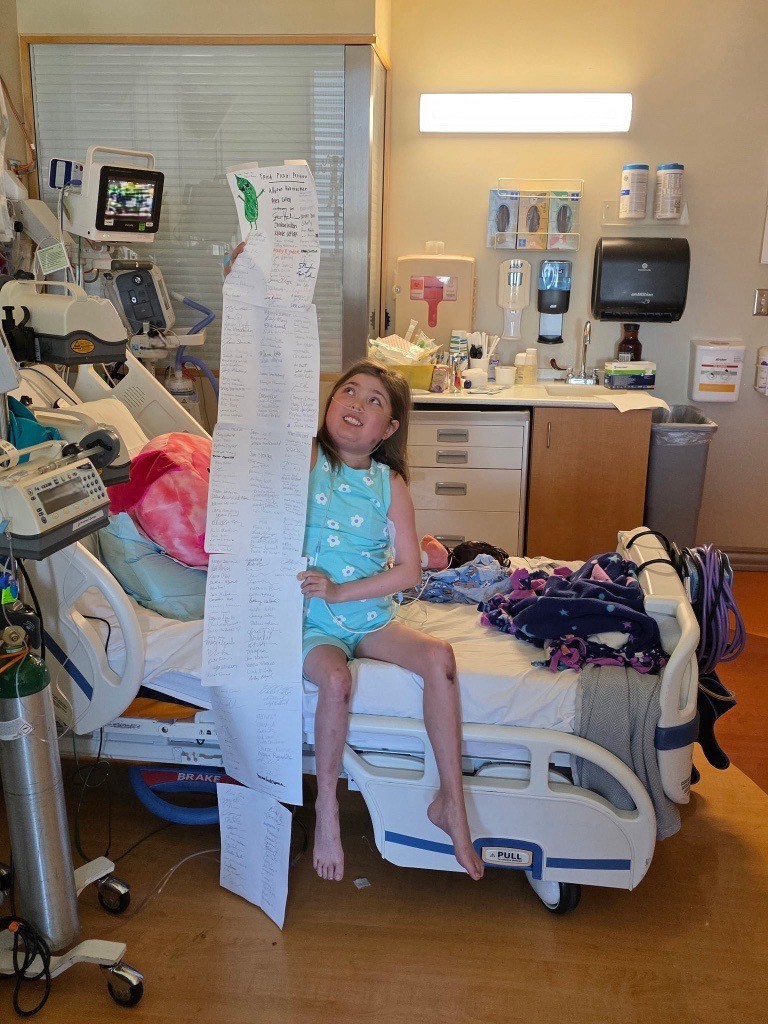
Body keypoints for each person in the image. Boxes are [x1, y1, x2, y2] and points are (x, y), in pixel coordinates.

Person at [298, 361, 483, 882]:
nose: (357, 404)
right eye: (348, 392)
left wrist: (342, 590)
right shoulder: (309, 459)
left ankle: (452, 803)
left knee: (439, 657)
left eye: (375, 401)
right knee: (335, 679)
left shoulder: (389, 482)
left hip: (370, 616)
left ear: (390, 429)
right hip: (314, 622)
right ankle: (328, 809)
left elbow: (406, 571)